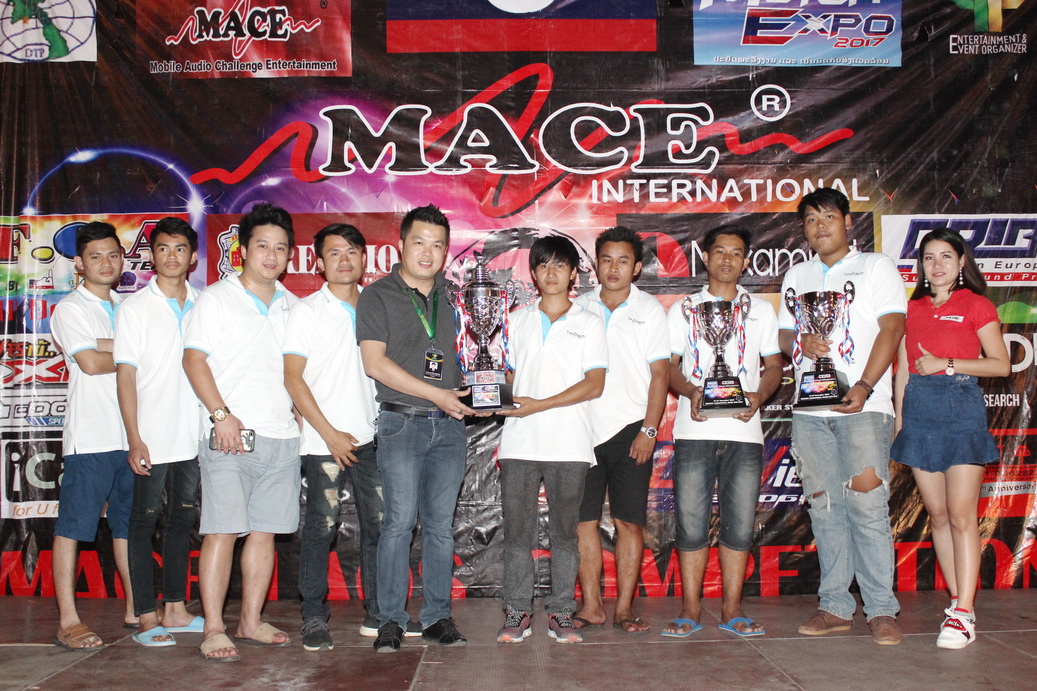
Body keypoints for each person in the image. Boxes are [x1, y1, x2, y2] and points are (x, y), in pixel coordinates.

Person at [777, 187, 907, 645]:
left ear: (848, 221)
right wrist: (799, 341)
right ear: (804, 229)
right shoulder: (797, 275)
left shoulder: (875, 266)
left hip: (864, 407)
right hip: (810, 410)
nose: (820, 227)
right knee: (824, 507)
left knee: (867, 508)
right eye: (811, 220)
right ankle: (834, 605)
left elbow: (893, 328)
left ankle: (882, 610)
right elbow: (783, 336)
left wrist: (865, 385)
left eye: (829, 217)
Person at [182, 203, 300, 662]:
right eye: (262, 246)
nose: (271, 256)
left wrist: (298, 416)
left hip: (281, 437)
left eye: (280, 248)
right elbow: (194, 360)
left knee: (265, 533)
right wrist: (220, 415)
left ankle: (250, 621)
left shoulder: (292, 305)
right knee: (222, 530)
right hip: (229, 435)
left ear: (289, 255)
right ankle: (213, 627)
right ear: (243, 250)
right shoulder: (216, 298)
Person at [357, 204, 477, 653]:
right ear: (401, 245)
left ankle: (437, 617)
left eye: (438, 245)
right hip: (400, 423)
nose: (428, 253)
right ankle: (390, 620)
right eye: (419, 242)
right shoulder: (377, 296)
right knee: (398, 524)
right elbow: (375, 364)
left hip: (449, 427)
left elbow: (474, 356)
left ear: (446, 251)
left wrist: (484, 391)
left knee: (441, 527)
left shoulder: (459, 298)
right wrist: (437, 395)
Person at [890, 227, 1010, 649]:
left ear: (961, 263)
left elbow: (1000, 365)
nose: (936, 264)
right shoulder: (912, 309)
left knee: (961, 516)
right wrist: (901, 422)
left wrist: (949, 363)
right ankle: (959, 603)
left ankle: (963, 614)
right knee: (938, 515)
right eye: (928, 257)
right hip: (919, 414)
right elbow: (903, 372)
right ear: (920, 266)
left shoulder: (976, 304)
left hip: (961, 410)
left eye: (945, 256)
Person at [662, 224, 782, 638]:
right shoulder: (684, 309)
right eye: (719, 251)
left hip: (744, 433)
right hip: (693, 430)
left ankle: (732, 608)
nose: (727, 259)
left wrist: (758, 397)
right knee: (691, 524)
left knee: (739, 524)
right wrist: (692, 392)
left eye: (735, 252)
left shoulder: (761, 310)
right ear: (706, 257)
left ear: (745, 261)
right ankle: (690, 609)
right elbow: (669, 367)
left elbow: (774, 366)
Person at [282, 223, 391, 652]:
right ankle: (313, 615)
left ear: (364, 258)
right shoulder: (306, 311)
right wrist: (329, 434)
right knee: (321, 528)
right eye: (333, 253)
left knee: (379, 526)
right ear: (318, 262)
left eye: (351, 252)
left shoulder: (378, 307)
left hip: (373, 438)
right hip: (323, 440)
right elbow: (293, 379)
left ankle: (378, 612)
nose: (344, 260)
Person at [495, 236, 608, 645]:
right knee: (517, 535)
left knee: (565, 535)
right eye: (544, 265)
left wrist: (539, 404)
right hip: (519, 443)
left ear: (574, 272)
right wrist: (486, 394)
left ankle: (561, 611)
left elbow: (594, 384)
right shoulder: (514, 320)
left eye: (560, 265)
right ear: (533, 273)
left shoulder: (590, 322)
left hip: (570, 443)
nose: (552, 272)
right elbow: (506, 380)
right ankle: (518, 611)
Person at [571, 227, 668, 633]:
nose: (613, 268)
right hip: (582, 428)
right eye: (606, 260)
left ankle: (624, 609)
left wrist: (649, 430)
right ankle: (592, 606)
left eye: (623, 261)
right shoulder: (578, 307)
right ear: (595, 265)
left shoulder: (650, 309)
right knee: (583, 524)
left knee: (629, 523)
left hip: (632, 431)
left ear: (637, 267)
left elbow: (661, 374)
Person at [115, 218, 204, 648]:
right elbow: (125, 375)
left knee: (182, 520)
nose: (172, 256)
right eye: (164, 248)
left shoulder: (205, 303)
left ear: (193, 257)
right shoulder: (134, 308)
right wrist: (134, 437)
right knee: (142, 522)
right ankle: (146, 616)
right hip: (151, 434)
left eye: (180, 248)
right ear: (152, 256)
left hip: (194, 434)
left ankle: (175, 608)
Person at [50, 222, 133, 650]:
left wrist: (107, 343)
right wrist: (136, 352)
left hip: (134, 436)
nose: (106, 263)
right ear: (79, 264)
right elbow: (91, 363)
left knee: (128, 528)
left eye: (113, 255)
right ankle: (68, 620)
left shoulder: (129, 306)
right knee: (74, 527)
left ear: (123, 259)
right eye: (95, 256)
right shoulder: (71, 308)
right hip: (92, 437)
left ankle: (137, 609)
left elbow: (110, 354)